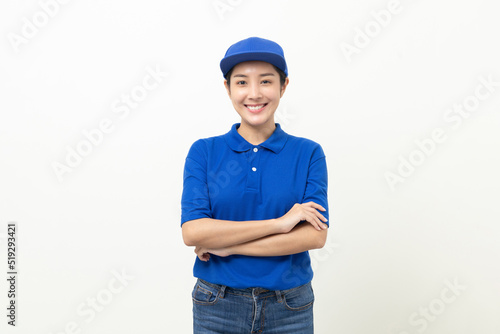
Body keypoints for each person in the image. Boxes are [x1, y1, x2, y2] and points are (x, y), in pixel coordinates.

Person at [181, 36, 329, 334]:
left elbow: (314, 237)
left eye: (265, 81)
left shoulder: (309, 153)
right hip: (216, 305)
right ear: (228, 88)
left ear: (283, 86)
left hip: (290, 307)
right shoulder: (204, 151)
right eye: (241, 82)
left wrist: (226, 246)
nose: (254, 94)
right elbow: (193, 231)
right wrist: (281, 224)